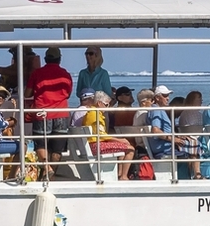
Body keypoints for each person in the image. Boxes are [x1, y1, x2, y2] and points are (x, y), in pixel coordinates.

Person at [26, 48, 75, 180]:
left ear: (46, 58)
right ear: (59, 59)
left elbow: (27, 94)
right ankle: (50, 177)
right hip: (61, 113)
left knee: (40, 144)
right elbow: (68, 94)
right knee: (57, 149)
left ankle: (47, 169)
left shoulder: (37, 73)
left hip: (42, 113)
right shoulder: (65, 74)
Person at [78, 91, 134, 179]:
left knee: (123, 147)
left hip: (93, 144)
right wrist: (120, 140)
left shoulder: (91, 113)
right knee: (130, 149)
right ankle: (124, 176)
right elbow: (102, 135)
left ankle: (120, 174)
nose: (107, 107)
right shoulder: (95, 114)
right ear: (99, 103)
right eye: (106, 105)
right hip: (96, 145)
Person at [142, 85, 178, 175]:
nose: (168, 98)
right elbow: (155, 130)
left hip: (163, 144)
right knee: (195, 145)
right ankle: (196, 174)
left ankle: (187, 174)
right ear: (157, 98)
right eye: (165, 96)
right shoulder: (156, 110)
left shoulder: (157, 109)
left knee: (191, 142)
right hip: (163, 147)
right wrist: (175, 139)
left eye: (168, 96)